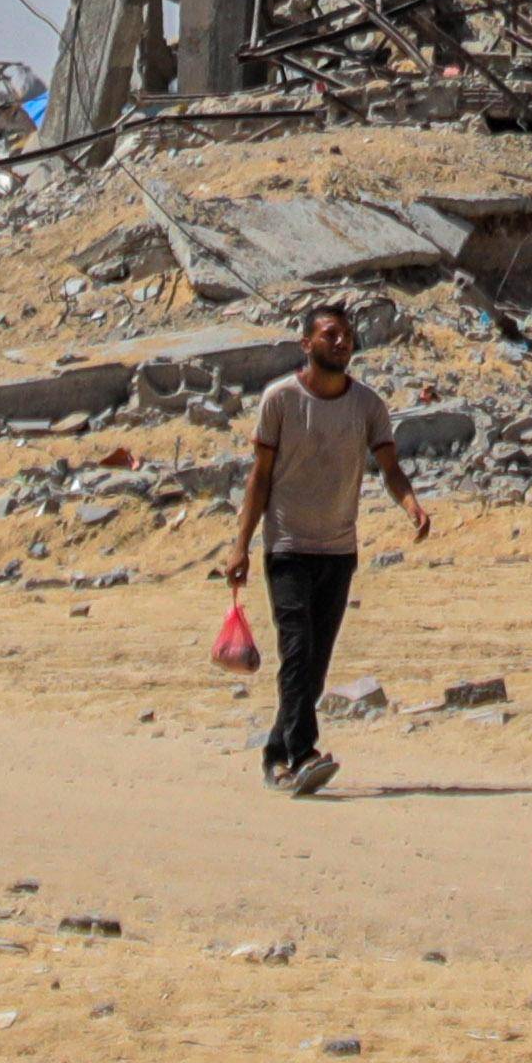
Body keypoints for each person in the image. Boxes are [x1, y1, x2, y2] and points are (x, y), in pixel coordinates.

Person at [220, 303, 428, 797]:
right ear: (306, 344)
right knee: (297, 653)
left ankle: (275, 755)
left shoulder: (369, 406)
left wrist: (412, 506)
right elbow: (259, 479)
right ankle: (305, 753)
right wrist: (240, 547)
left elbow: (390, 468)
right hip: (288, 546)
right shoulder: (280, 400)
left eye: (347, 335)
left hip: (338, 549)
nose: (342, 342)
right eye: (330, 334)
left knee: (312, 668)